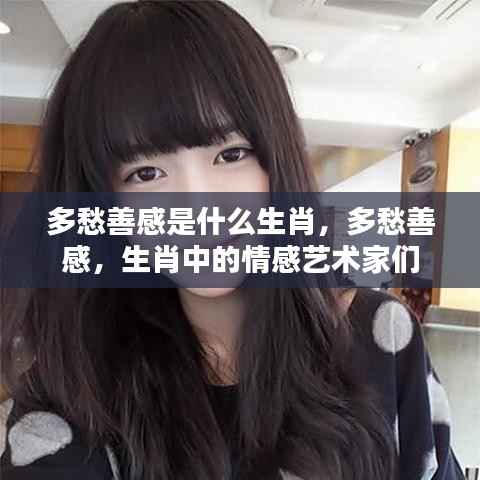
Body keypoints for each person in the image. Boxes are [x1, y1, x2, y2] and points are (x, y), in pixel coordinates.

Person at [0, 2, 464, 480]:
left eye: (231, 154)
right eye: (146, 173)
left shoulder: (382, 338)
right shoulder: (72, 384)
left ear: (276, 161)